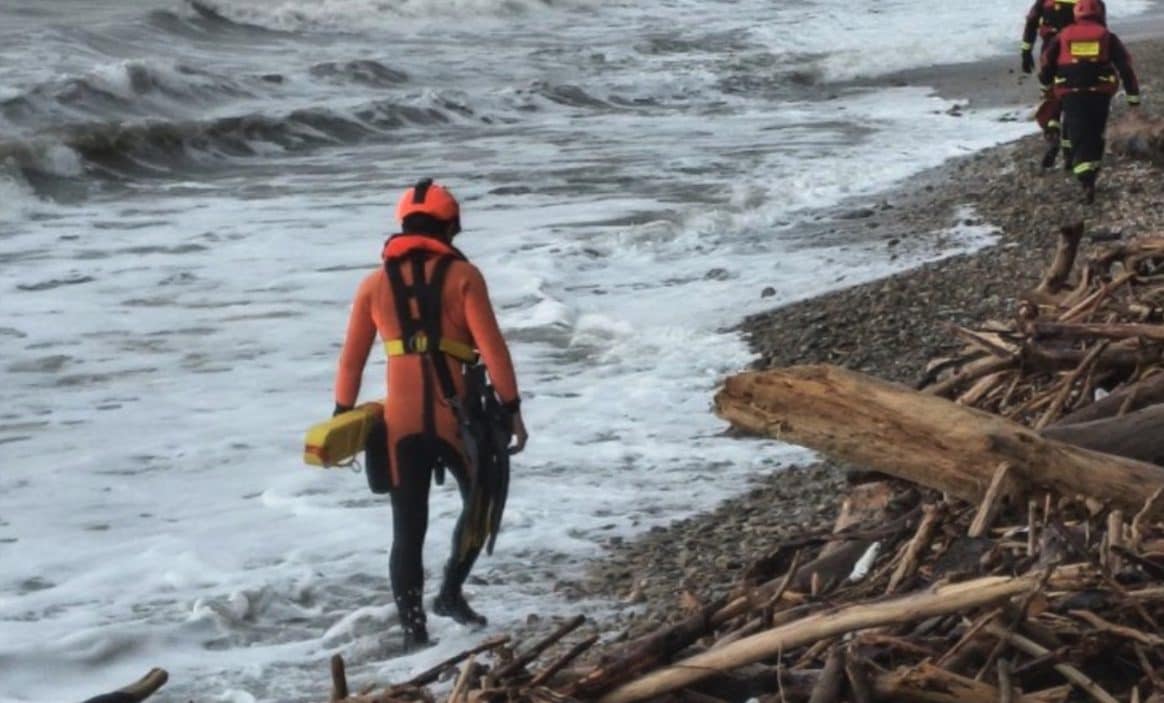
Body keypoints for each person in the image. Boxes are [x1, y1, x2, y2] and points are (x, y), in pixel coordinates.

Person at [333, 178, 528, 651]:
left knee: (407, 530)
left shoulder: (373, 284)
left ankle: (413, 632)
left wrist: (341, 415)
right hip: (455, 421)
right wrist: (513, 409)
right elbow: (493, 350)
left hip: (399, 425)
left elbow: (351, 361)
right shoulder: (465, 278)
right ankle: (449, 592)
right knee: (480, 508)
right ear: (450, 226)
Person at [1038, 0, 1141, 203]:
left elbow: (1047, 62)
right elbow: (1126, 68)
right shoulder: (1107, 36)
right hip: (1099, 92)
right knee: (1094, 132)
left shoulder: (1063, 35)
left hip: (1070, 92)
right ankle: (1088, 175)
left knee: (1075, 129)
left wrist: (1046, 87)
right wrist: (1133, 99)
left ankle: (1079, 169)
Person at [1022, 0, 1081, 168]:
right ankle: (1069, 153)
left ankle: (1052, 134)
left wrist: (1026, 51)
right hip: (1074, 52)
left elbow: (1031, 21)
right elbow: (1096, 26)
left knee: (1050, 95)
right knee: (1070, 98)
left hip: (1049, 52)